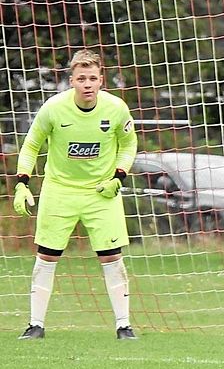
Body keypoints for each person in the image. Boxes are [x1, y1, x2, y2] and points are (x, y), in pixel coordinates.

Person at [13, 48, 138, 340]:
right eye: (81, 78)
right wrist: (22, 182)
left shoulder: (117, 108)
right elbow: (31, 145)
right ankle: (35, 325)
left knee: (111, 257)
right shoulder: (53, 108)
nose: (87, 84)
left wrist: (119, 177)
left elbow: (129, 144)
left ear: (101, 80)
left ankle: (123, 326)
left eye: (92, 78)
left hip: (101, 193)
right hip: (60, 191)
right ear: (72, 81)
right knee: (47, 256)